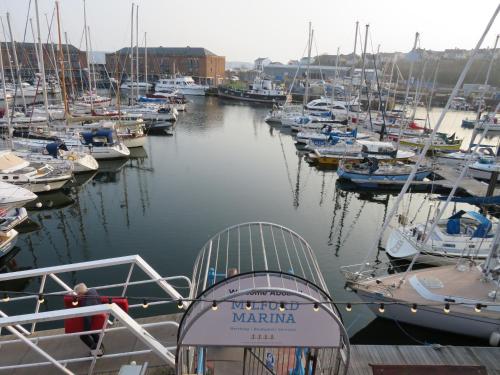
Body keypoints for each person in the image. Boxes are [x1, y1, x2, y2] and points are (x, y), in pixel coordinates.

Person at [74, 283, 104, 356]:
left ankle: (97, 352)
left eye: (77, 294)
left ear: (81, 293)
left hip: (94, 320)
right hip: (100, 316)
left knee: (84, 336)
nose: (77, 295)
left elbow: (87, 318)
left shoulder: (86, 303)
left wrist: (85, 331)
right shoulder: (92, 291)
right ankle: (100, 346)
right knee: (93, 332)